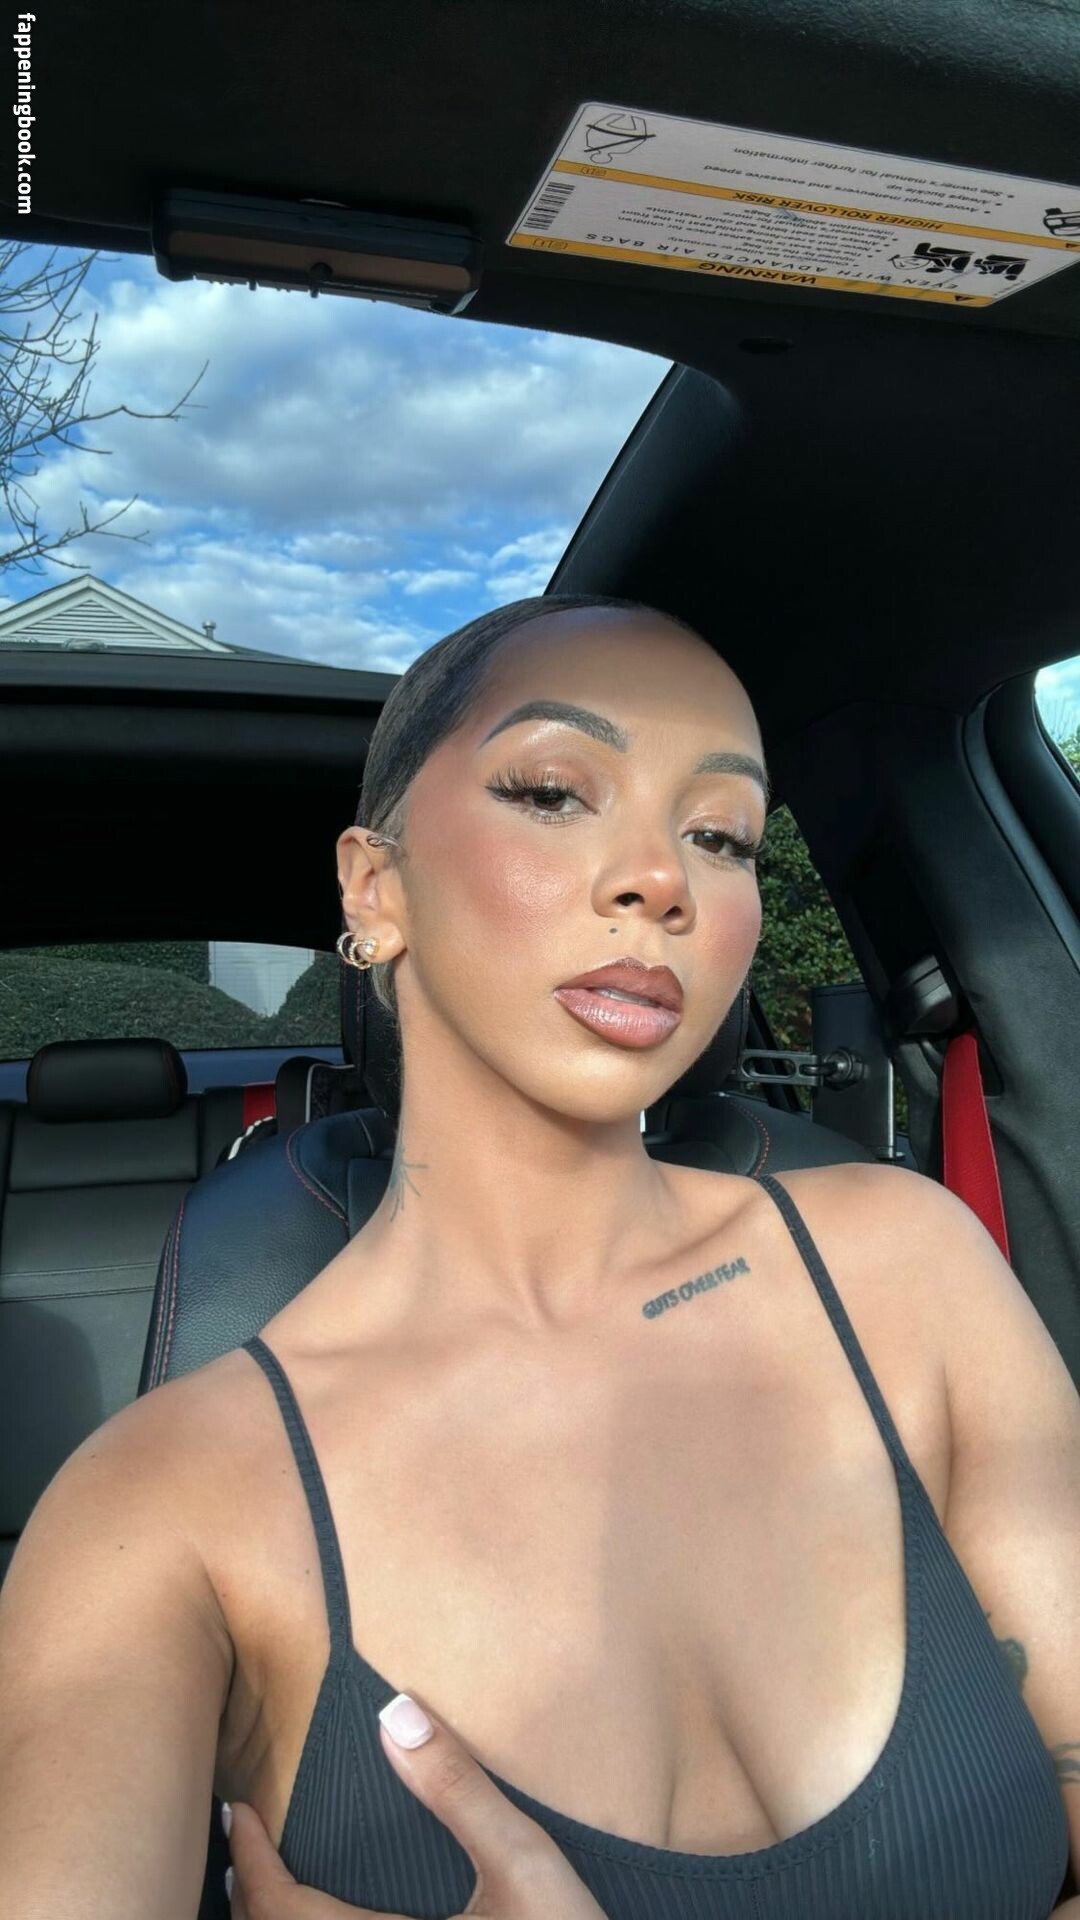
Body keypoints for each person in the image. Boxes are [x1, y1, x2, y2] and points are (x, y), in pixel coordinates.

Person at [1, 596, 1077, 1920]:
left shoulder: (913, 1268)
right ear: (375, 889)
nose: (661, 879)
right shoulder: (156, 1510)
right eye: (556, 792)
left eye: (722, 835)